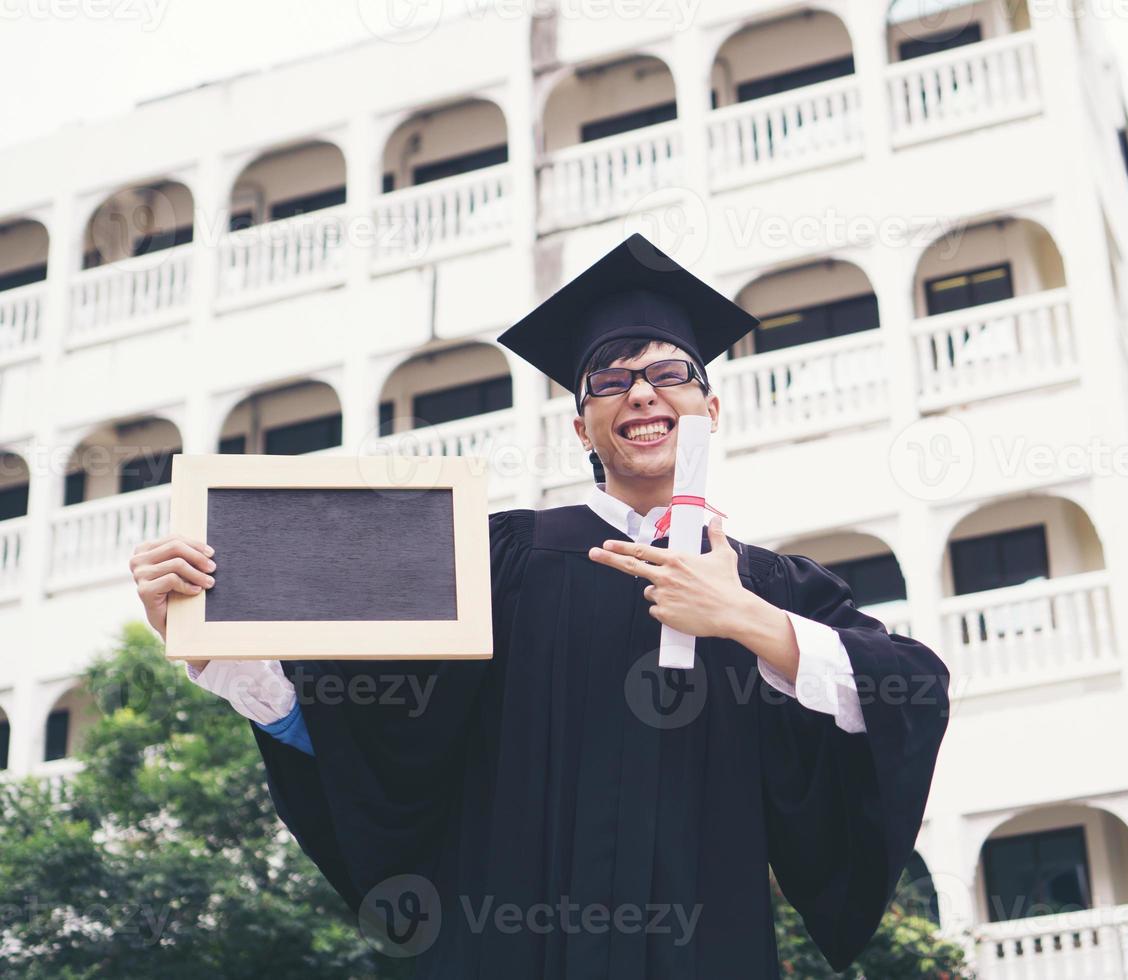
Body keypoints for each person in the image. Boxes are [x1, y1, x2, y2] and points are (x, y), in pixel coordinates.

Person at [130, 233, 950, 978]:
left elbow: (905, 692)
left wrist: (743, 618)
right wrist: (211, 641)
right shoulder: (497, 560)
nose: (641, 394)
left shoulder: (775, 589)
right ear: (581, 428)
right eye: (611, 380)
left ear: (711, 407)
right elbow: (364, 733)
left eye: (670, 374)